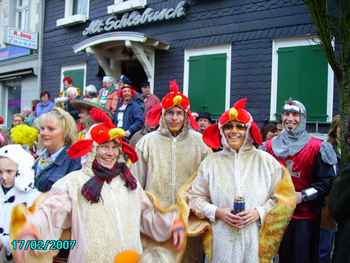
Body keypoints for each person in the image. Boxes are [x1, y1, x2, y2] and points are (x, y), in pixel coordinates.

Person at [12, 123, 185, 263]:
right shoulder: (74, 182)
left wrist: (171, 224)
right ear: (92, 149)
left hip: (130, 258)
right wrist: (31, 229)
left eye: (114, 147)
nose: (110, 153)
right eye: (103, 147)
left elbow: (146, 215)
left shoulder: (128, 181)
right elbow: (51, 211)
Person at [187, 98, 296, 263]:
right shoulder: (210, 162)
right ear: (222, 131)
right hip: (221, 241)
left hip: (256, 238)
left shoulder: (267, 162)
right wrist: (217, 212)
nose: (234, 131)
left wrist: (258, 212)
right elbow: (195, 198)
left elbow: (285, 198)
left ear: (249, 129)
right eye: (228, 127)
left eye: (240, 126)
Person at [132, 80, 211, 262]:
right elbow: (136, 182)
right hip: (155, 220)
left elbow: (207, 182)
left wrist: (198, 209)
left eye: (179, 113)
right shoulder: (147, 142)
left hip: (189, 221)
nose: (174, 118)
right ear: (162, 114)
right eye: (169, 113)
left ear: (186, 115)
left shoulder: (200, 143)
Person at [263, 99, 337, 263]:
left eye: (295, 114)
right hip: (273, 215)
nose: (290, 118)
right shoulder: (267, 147)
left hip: (304, 218)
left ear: (303, 117)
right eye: (287, 114)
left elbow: (325, 184)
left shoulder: (317, 147)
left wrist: (302, 195)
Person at [0, 144, 40, 262]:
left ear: (21, 169)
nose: (4, 177)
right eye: (0, 171)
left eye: (9, 171)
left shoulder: (33, 197)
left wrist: (6, 242)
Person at [34, 107, 81, 192]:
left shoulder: (74, 160)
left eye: (51, 129)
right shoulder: (39, 157)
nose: (44, 133)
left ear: (65, 132)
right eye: (42, 128)